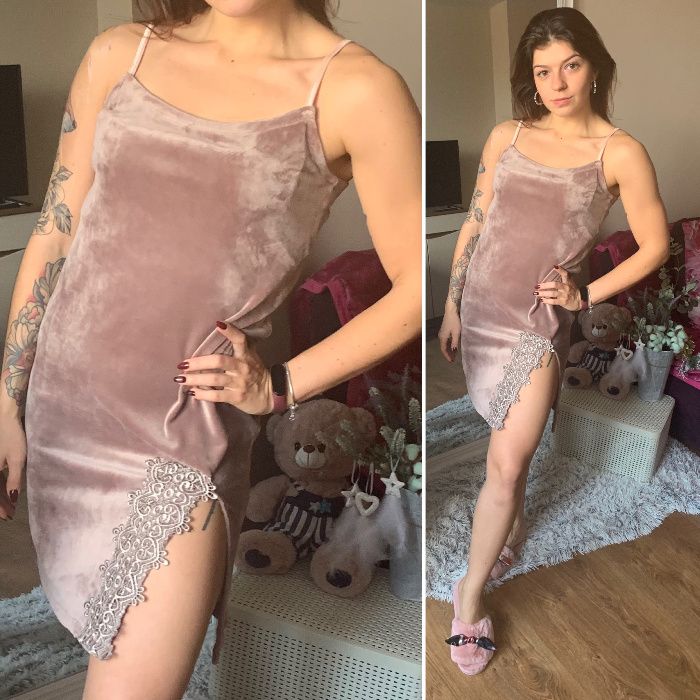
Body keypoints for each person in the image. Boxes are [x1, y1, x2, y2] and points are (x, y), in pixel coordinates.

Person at [0, 1, 421, 696]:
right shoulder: (120, 54)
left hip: (181, 439)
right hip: (62, 411)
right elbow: (56, 230)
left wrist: (283, 384)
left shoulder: (356, 89)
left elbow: (415, 289)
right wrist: (8, 397)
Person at [437, 7, 669, 675]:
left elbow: (654, 245)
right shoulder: (505, 135)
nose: (557, 83)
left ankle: (469, 596)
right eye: (542, 72)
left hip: (533, 327)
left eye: (570, 65)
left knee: (507, 465)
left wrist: (584, 296)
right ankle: (508, 527)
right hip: (478, 312)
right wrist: (451, 305)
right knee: (499, 440)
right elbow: (476, 223)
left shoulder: (619, 151)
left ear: (595, 66)